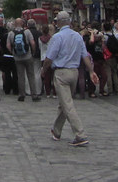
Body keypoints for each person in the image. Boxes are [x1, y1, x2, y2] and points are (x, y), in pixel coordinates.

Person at [42, 11, 98, 146]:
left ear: (59, 23)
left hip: (61, 73)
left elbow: (49, 58)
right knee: (64, 103)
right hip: (74, 72)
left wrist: (43, 70)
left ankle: (80, 135)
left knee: (68, 105)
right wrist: (91, 71)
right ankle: (56, 131)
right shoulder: (78, 37)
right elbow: (85, 56)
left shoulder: (57, 37)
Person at [8, 18, 39, 102]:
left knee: (20, 76)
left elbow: (8, 45)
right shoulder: (27, 32)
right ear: (22, 23)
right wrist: (33, 52)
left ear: (15, 24)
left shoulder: (11, 33)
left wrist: (13, 53)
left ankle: (21, 95)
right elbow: (32, 43)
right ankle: (34, 95)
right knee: (31, 75)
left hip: (17, 58)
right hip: (28, 56)